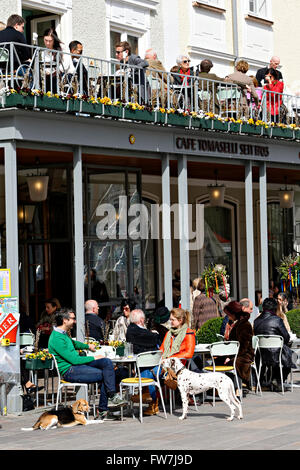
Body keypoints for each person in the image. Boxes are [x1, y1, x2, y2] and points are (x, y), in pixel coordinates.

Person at [48, 308, 126, 420]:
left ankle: (112, 396)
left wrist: (87, 346)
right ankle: (104, 408)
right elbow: (74, 360)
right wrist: (94, 357)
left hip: (77, 366)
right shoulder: (56, 338)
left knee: (106, 362)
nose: (75, 321)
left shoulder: (63, 334)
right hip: (69, 370)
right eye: (73, 319)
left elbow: (73, 343)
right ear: (65, 320)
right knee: (107, 374)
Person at [141, 308, 196, 415]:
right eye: (170, 320)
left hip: (178, 368)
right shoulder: (169, 333)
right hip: (166, 364)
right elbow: (161, 350)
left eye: (172, 320)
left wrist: (171, 358)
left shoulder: (188, 334)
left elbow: (189, 353)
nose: (170, 322)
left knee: (149, 372)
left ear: (180, 321)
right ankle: (150, 398)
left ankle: (151, 400)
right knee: (146, 369)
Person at [254, 298, 296, 389]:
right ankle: (278, 379)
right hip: (277, 354)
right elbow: (286, 337)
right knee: (291, 355)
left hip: (261, 355)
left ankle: (269, 379)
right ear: (275, 308)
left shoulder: (256, 321)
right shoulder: (277, 320)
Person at [224, 301, 254, 395]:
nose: (227, 316)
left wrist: (231, 356)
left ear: (234, 314)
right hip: (235, 352)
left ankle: (237, 388)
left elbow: (244, 345)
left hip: (244, 354)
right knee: (217, 361)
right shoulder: (235, 323)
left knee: (237, 362)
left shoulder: (244, 325)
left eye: (228, 314)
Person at [41, 28, 66, 94]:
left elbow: (66, 64)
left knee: (53, 79)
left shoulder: (62, 47)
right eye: (46, 40)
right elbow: (45, 66)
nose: (48, 43)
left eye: (50, 41)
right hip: (50, 76)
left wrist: (56, 71)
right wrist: (47, 72)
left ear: (54, 40)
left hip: (63, 75)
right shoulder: (44, 52)